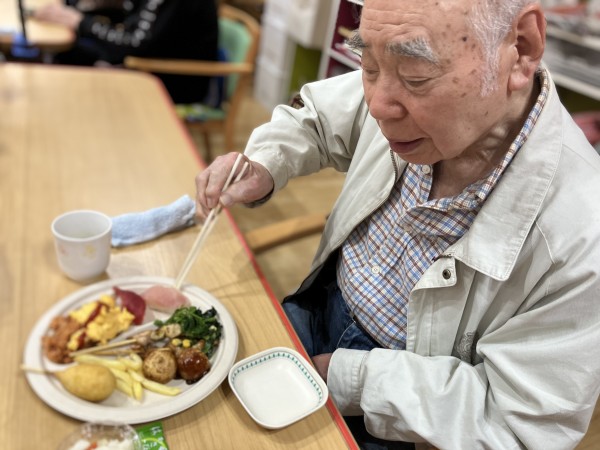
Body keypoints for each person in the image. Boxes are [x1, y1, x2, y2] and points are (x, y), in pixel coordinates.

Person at [195, 0, 600, 448]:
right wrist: (266, 163)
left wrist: (351, 377)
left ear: (521, 47)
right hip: (318, 305)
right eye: (367, 65)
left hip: (410, 413)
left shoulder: (581, 235)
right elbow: (317, 118)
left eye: (416, 77)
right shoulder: (394, 77)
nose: (378, 105)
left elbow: (519, 423)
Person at [33, 0, 219, 104]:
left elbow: (135, 43)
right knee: (70, 53)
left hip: (173, 82)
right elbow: (133, 22)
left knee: (71, 62)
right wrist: (83, 11)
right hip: (148, 63)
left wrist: (81, 22)